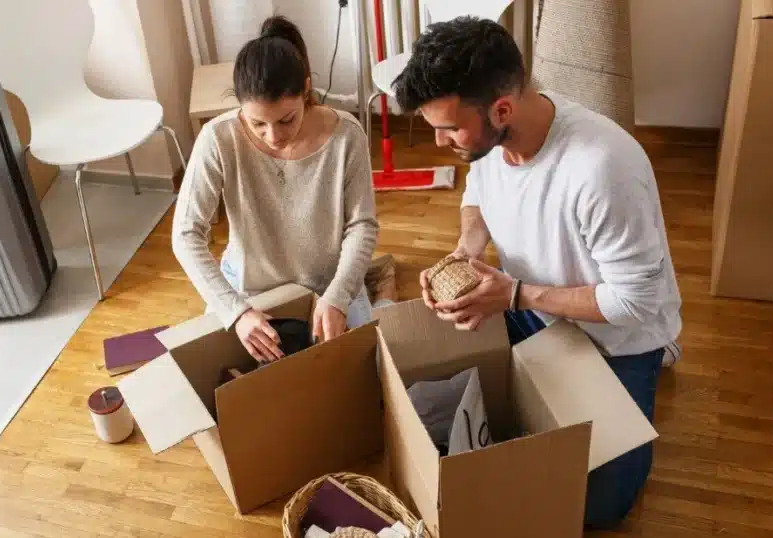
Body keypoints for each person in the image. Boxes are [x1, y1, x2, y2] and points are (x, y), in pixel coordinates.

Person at [392, 16, 683, 529]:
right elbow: (477, 195)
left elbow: (636, 303)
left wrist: (516, 294)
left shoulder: (602, 168)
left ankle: (662, 355)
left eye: (447, 127)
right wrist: (467, 251)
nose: (439, 141)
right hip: (530, 309)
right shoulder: (486, 140)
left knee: (598, 508)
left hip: (615, 339)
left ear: (502, 108)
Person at [172, 16, 385, 364]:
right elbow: (185, 234)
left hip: (327, 286)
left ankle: (381, 288)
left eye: (286, 119)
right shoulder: (218, 138)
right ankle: (379, 281)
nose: (273, 137)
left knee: (367, 373)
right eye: (257, 123)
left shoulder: (347, 135)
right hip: (249, 289)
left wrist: (339, 294)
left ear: (306, 89)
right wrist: (236, 312)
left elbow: (362, 225)